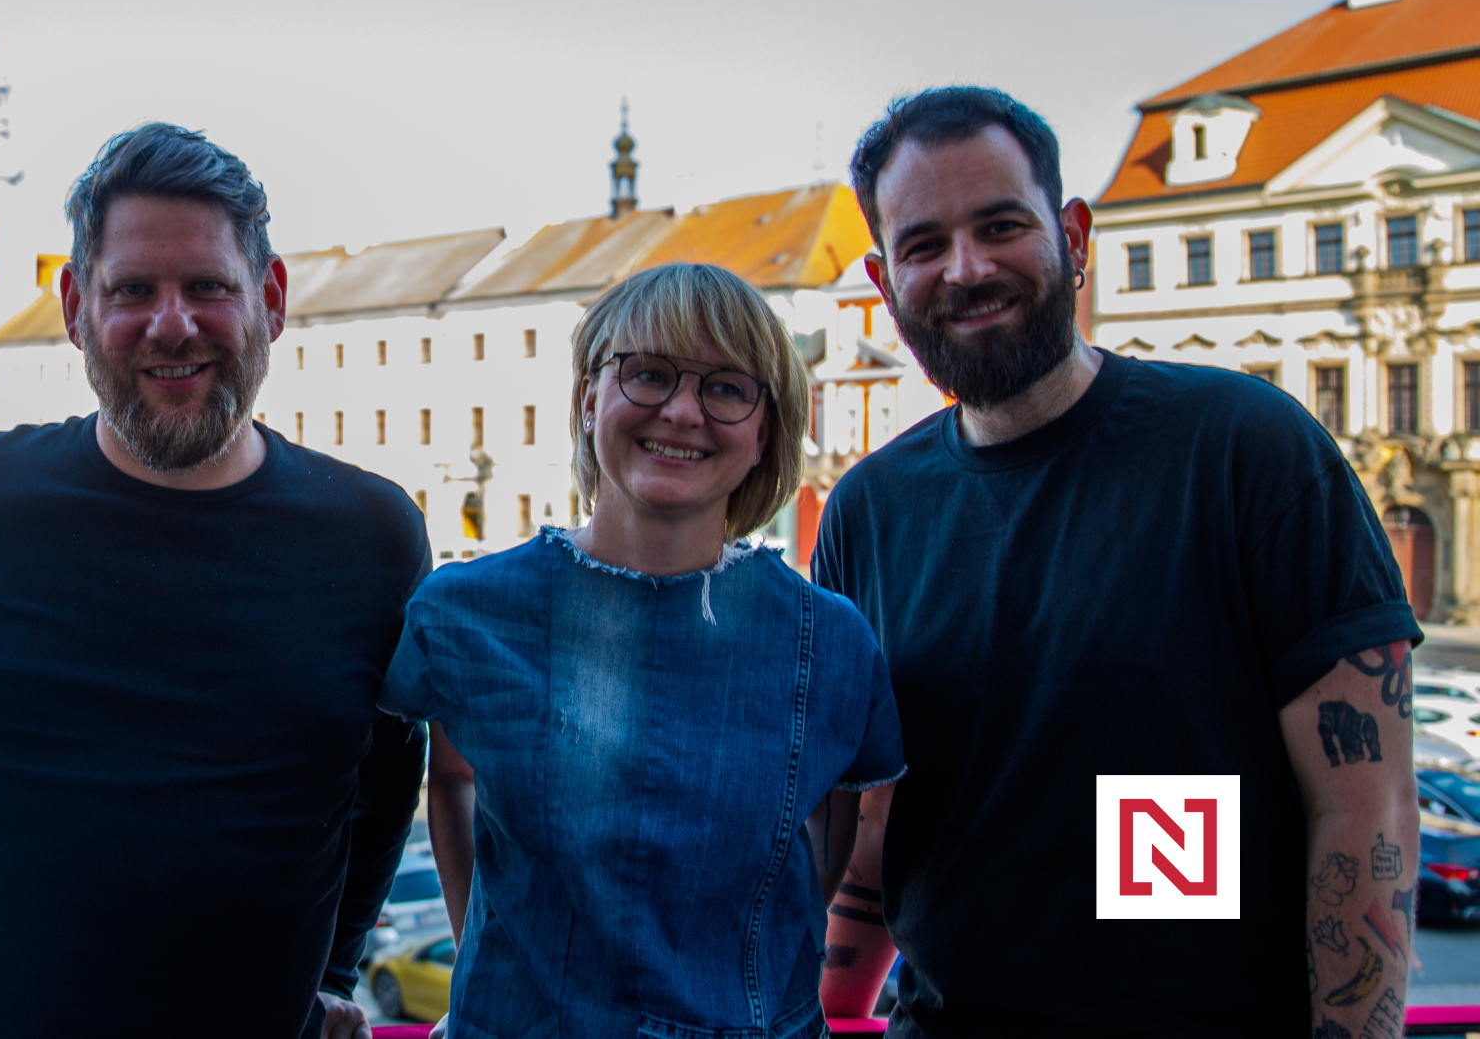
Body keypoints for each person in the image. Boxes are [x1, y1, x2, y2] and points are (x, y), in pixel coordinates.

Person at [814, 87, 1419, 1038]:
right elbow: (879, 821)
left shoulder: (1242, 448)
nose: (966, 269)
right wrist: (827, 1010)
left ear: (1073, 237)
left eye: (1001, 226)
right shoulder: (869, 510)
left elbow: (1361, 805)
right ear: (885, 283)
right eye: (924, 245)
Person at [0, 123, 429, 1039]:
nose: (171, 324)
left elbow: (390, 768)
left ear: (269, 300)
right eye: (133, 290)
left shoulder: (372, 537)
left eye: (208, 287)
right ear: (75, 307)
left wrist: (336, 967)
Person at [383, 262, 903, 1039]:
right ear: (589, 398)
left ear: (765, 430)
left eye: (727, 387)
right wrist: (484, 967)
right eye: (650, 373)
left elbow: (834, 841)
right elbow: (448, 776)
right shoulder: (465, 612)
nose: (684, 411)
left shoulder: (831, 642)